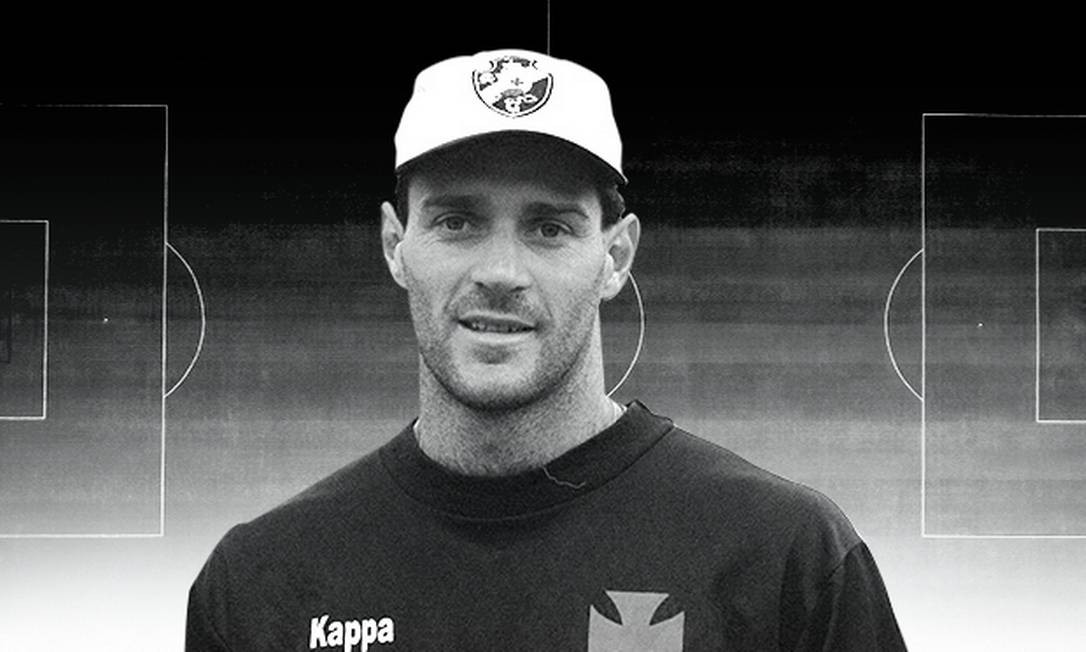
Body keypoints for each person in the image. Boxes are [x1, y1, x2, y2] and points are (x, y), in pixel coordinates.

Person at [186, 49, 907, 651]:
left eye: (549, 228)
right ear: (394, 244)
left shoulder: (784, 558)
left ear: (616, 256)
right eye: (457, 221)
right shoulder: (261, 584)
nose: (501, 272)